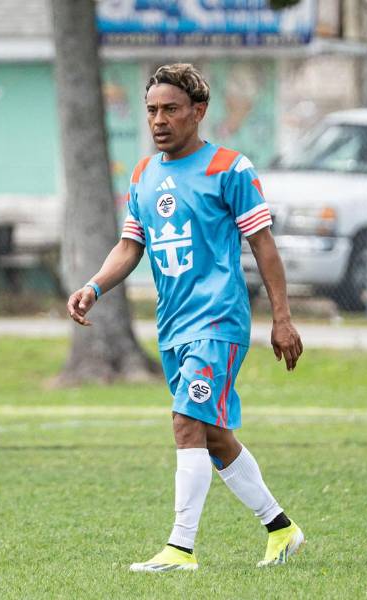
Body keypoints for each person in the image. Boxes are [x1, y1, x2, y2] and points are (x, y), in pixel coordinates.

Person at [67, 63, 304, 571]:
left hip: (218, 321)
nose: (158, 120)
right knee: (214, 435)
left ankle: (180, 548)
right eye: (151, 110)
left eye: (171, 109)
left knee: (185, 422)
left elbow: (264, 246)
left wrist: (281, 318)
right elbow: (131, 245)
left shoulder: (231, 169)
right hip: (173, 326)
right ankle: (282, 529)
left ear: (198, 112)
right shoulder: (142, 175)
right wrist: (93, 287)